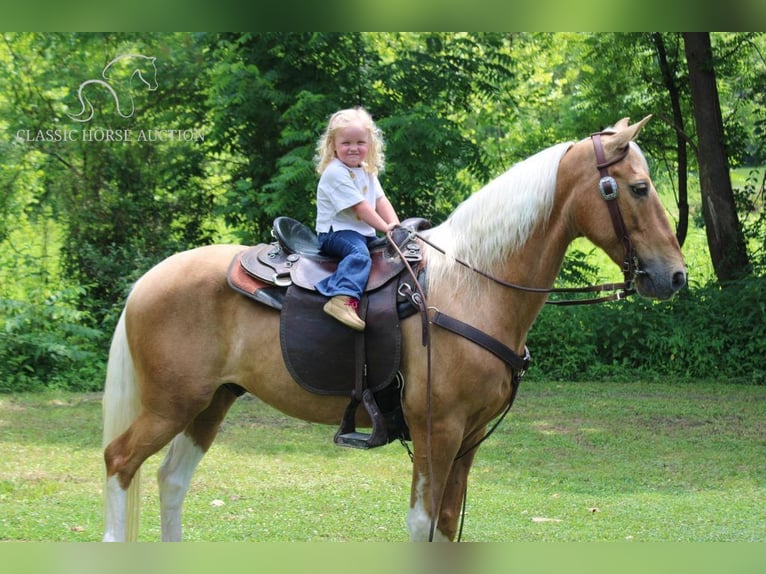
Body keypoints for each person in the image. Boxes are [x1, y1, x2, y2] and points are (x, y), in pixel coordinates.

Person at [314, 107, 400, 331]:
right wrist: (385, 228)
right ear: (333, 145)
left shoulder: (367, 171)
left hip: (361, 233)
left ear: (370, 144)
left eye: (360, 142)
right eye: (346, 143)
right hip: (335, 232)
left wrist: (397, 227)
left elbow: (381, 201)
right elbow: (361, 208)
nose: (353, 148)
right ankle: (342, 297)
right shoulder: (335, 172)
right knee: (359, 255)